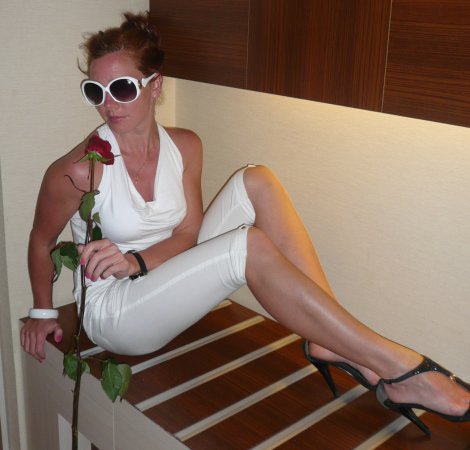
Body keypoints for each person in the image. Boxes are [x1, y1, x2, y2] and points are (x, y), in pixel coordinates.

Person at [21, 11, 469, 435]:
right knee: (247, 246)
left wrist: (137, 260)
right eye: (95, 92)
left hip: (158, 272)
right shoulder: (81, 169)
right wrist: (42, 312)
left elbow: (189, 234)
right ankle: (399, 367)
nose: (107, 105)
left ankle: (328, 343)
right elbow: (42, 239)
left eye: (121, 88)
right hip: (117, 313)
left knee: (258, 180)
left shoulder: (186, 146)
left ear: (155, 85)